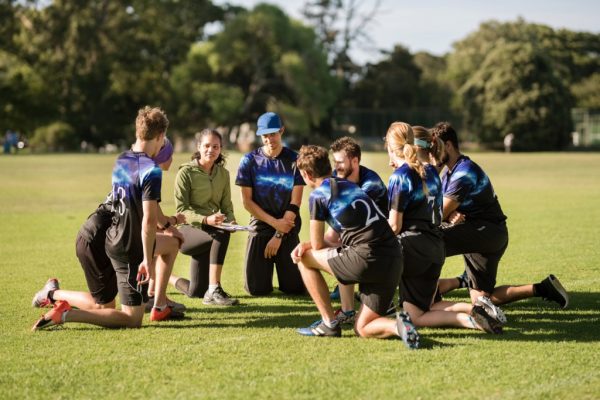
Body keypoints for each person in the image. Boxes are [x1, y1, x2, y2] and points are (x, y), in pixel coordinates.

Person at [32, 106, 183, 330]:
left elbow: (127, 205)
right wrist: (145, 259)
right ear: (160, 136)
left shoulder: (122, 159)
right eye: (163, 141)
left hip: (113, 238)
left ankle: (57, 301)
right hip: (127, 246)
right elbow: (148, 221)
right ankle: (65, 315)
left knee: (106, 306)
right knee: (132, 319)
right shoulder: (151, 170)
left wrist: (169, 222)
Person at [430, 122, 568, 318]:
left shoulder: (464, 172)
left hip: (485, 232)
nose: (433, 153)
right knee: (483, 300)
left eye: (436, 148)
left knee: (428, 241)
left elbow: (436, 214)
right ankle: (543, 288)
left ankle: (425, 296)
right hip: (485, 233)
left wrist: (446, 211)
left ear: (449, 146)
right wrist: (450, 212)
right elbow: (443, 208)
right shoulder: (449, 173)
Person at [292, 145, 419, 349]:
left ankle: (329, 323)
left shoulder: (318, 195)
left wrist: (304, 245)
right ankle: (399, 325)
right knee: (362, 327)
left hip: (367, 258)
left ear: (306, 174)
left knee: (303, 257)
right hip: (394, 258)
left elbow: (317, 246)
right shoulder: (351, 186)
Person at [386, 122, 501, 334]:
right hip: (436, 247)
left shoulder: (400, 176)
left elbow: (394, 225)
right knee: (428, 306)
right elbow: (437, 215)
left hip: (413, 248)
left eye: (388, 152)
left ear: (394, 149)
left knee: (415, 316)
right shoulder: (431, 173)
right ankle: (477, 311)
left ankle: (471, 321)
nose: (388, 160)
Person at [235, 112, 305, 296]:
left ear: (282, 131)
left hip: (288, 225)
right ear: (260, 135)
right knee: (256, 289)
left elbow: (296, 201)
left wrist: (279, 233)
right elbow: (247, 202)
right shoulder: (248, 161)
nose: (269, 139)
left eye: (273, 134)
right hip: (260, 225)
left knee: (294, 289)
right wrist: (275, 224)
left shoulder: (295, 160)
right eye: (265, 135)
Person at [169, 129, 239, 306]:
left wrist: (231, 220)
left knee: (196, 292)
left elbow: (226, 205)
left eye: (215, 146)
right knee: (222, 234)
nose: (211, 150)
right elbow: (182, 210)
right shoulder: (185, 173)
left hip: (211, 230)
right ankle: (214, 289)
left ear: (220, 149)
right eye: (207, 145)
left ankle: (167, 277)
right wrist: (206, 220)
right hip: (187, 231)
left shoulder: (223, 174)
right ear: (199, 147)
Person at [326, 136, 389, 321]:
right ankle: (348, 288)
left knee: (332, 247)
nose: (336, 167)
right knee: (331, 246)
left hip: (379, 242)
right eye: (334, 161)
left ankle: (348, 308)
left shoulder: (371, 185)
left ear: (355, 160)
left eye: (340, 162)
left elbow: (344, 227)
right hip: (357, 238)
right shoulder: (335, 178)